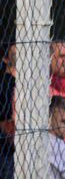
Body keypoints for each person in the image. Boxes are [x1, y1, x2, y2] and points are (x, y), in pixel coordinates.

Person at [0, 45, 15, 179]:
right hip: (8, 153)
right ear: (5, 59)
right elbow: (2, 122)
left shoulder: (27, 81)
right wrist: (17, 144)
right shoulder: (4, 84)